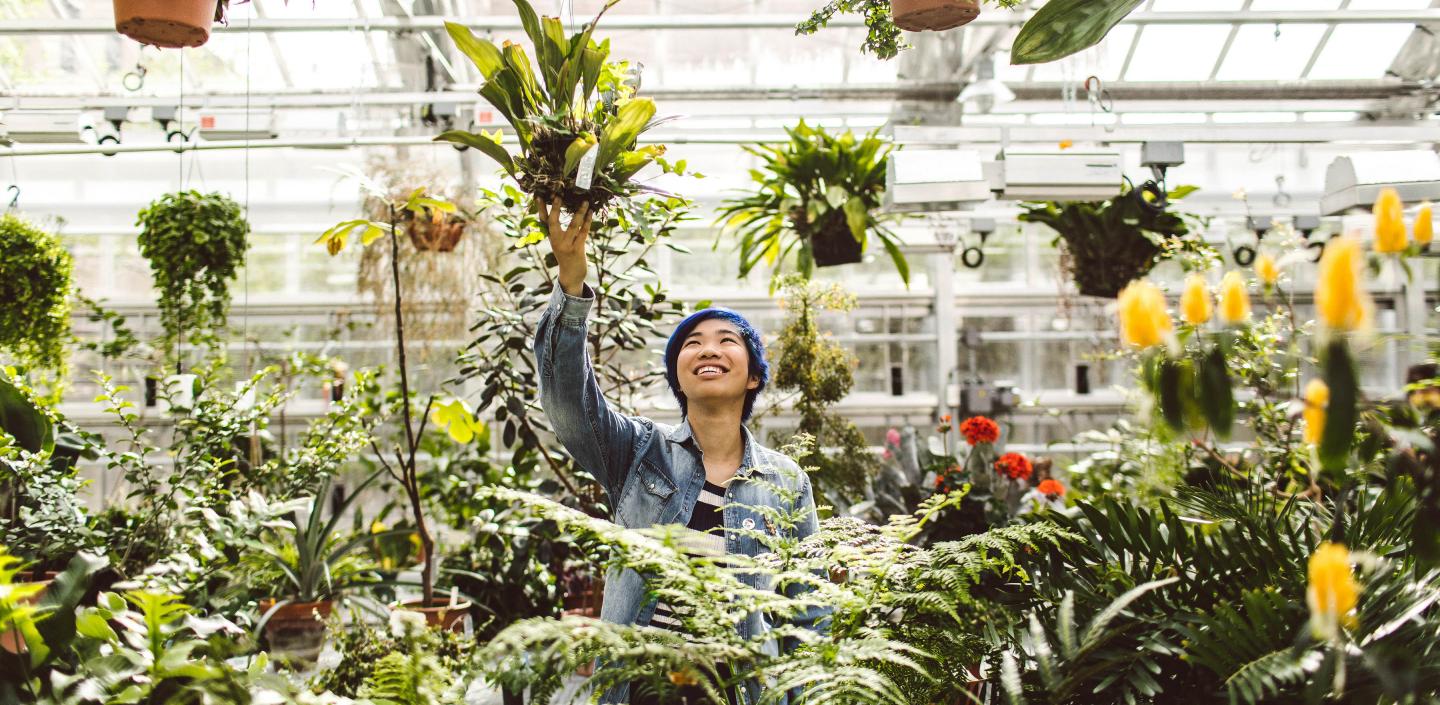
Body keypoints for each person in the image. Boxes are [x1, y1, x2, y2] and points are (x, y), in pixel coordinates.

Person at [532, 199, 823, 705]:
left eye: (727, 340)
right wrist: (572, 281)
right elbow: (567, 403)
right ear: (678, 380)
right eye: (692, 343)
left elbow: (808, 609)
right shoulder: (639, 451)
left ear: (753, 376)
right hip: (640, 689)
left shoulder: (786, 481)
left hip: (735, 690)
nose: (708, 348)